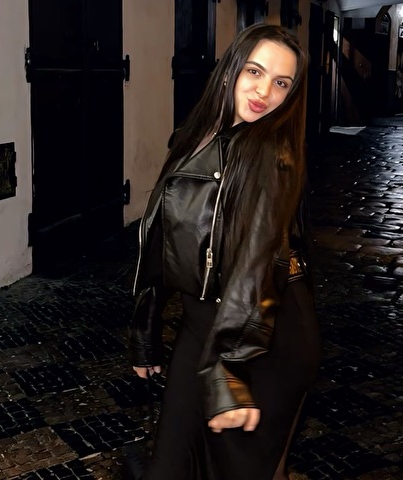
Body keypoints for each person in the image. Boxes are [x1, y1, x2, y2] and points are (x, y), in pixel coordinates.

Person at [129, 23, 321, 480]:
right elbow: (159, 238)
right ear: (231, 69)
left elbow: (257, 264)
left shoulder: (272, 156)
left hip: (261, 336)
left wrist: (230, 372)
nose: (264, 92)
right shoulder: (191, 137)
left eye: (281, 83)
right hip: (202, 325)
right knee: (170, 465)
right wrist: (145, 331)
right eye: (255, 71)